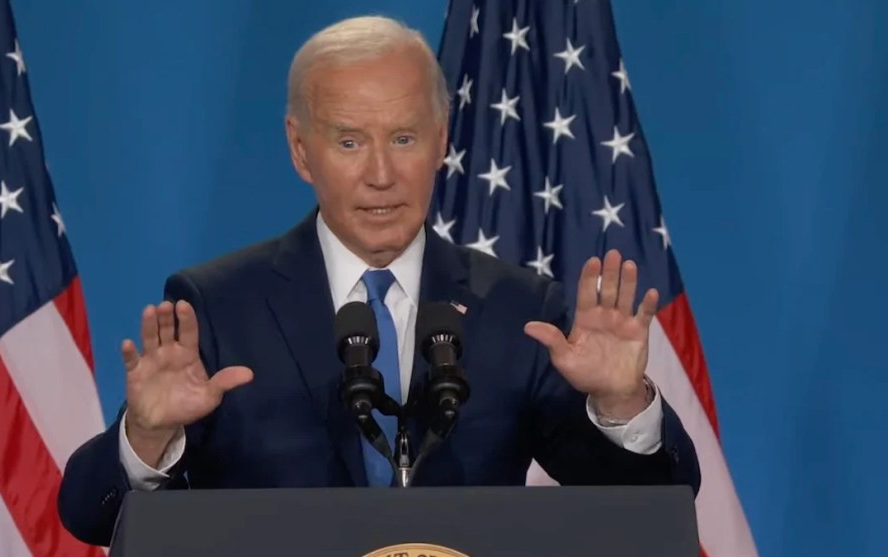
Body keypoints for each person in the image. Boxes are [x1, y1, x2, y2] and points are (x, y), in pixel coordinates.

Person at [57, 15, 700, 546]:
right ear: (300, 149)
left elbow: (650, 507)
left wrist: (622, 406)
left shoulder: (518, 309)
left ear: (442, 139)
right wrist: (147, 437)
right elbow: (89, 516)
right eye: (348, 143)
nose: (382, 174)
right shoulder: (220, 307)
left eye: (403, 137)